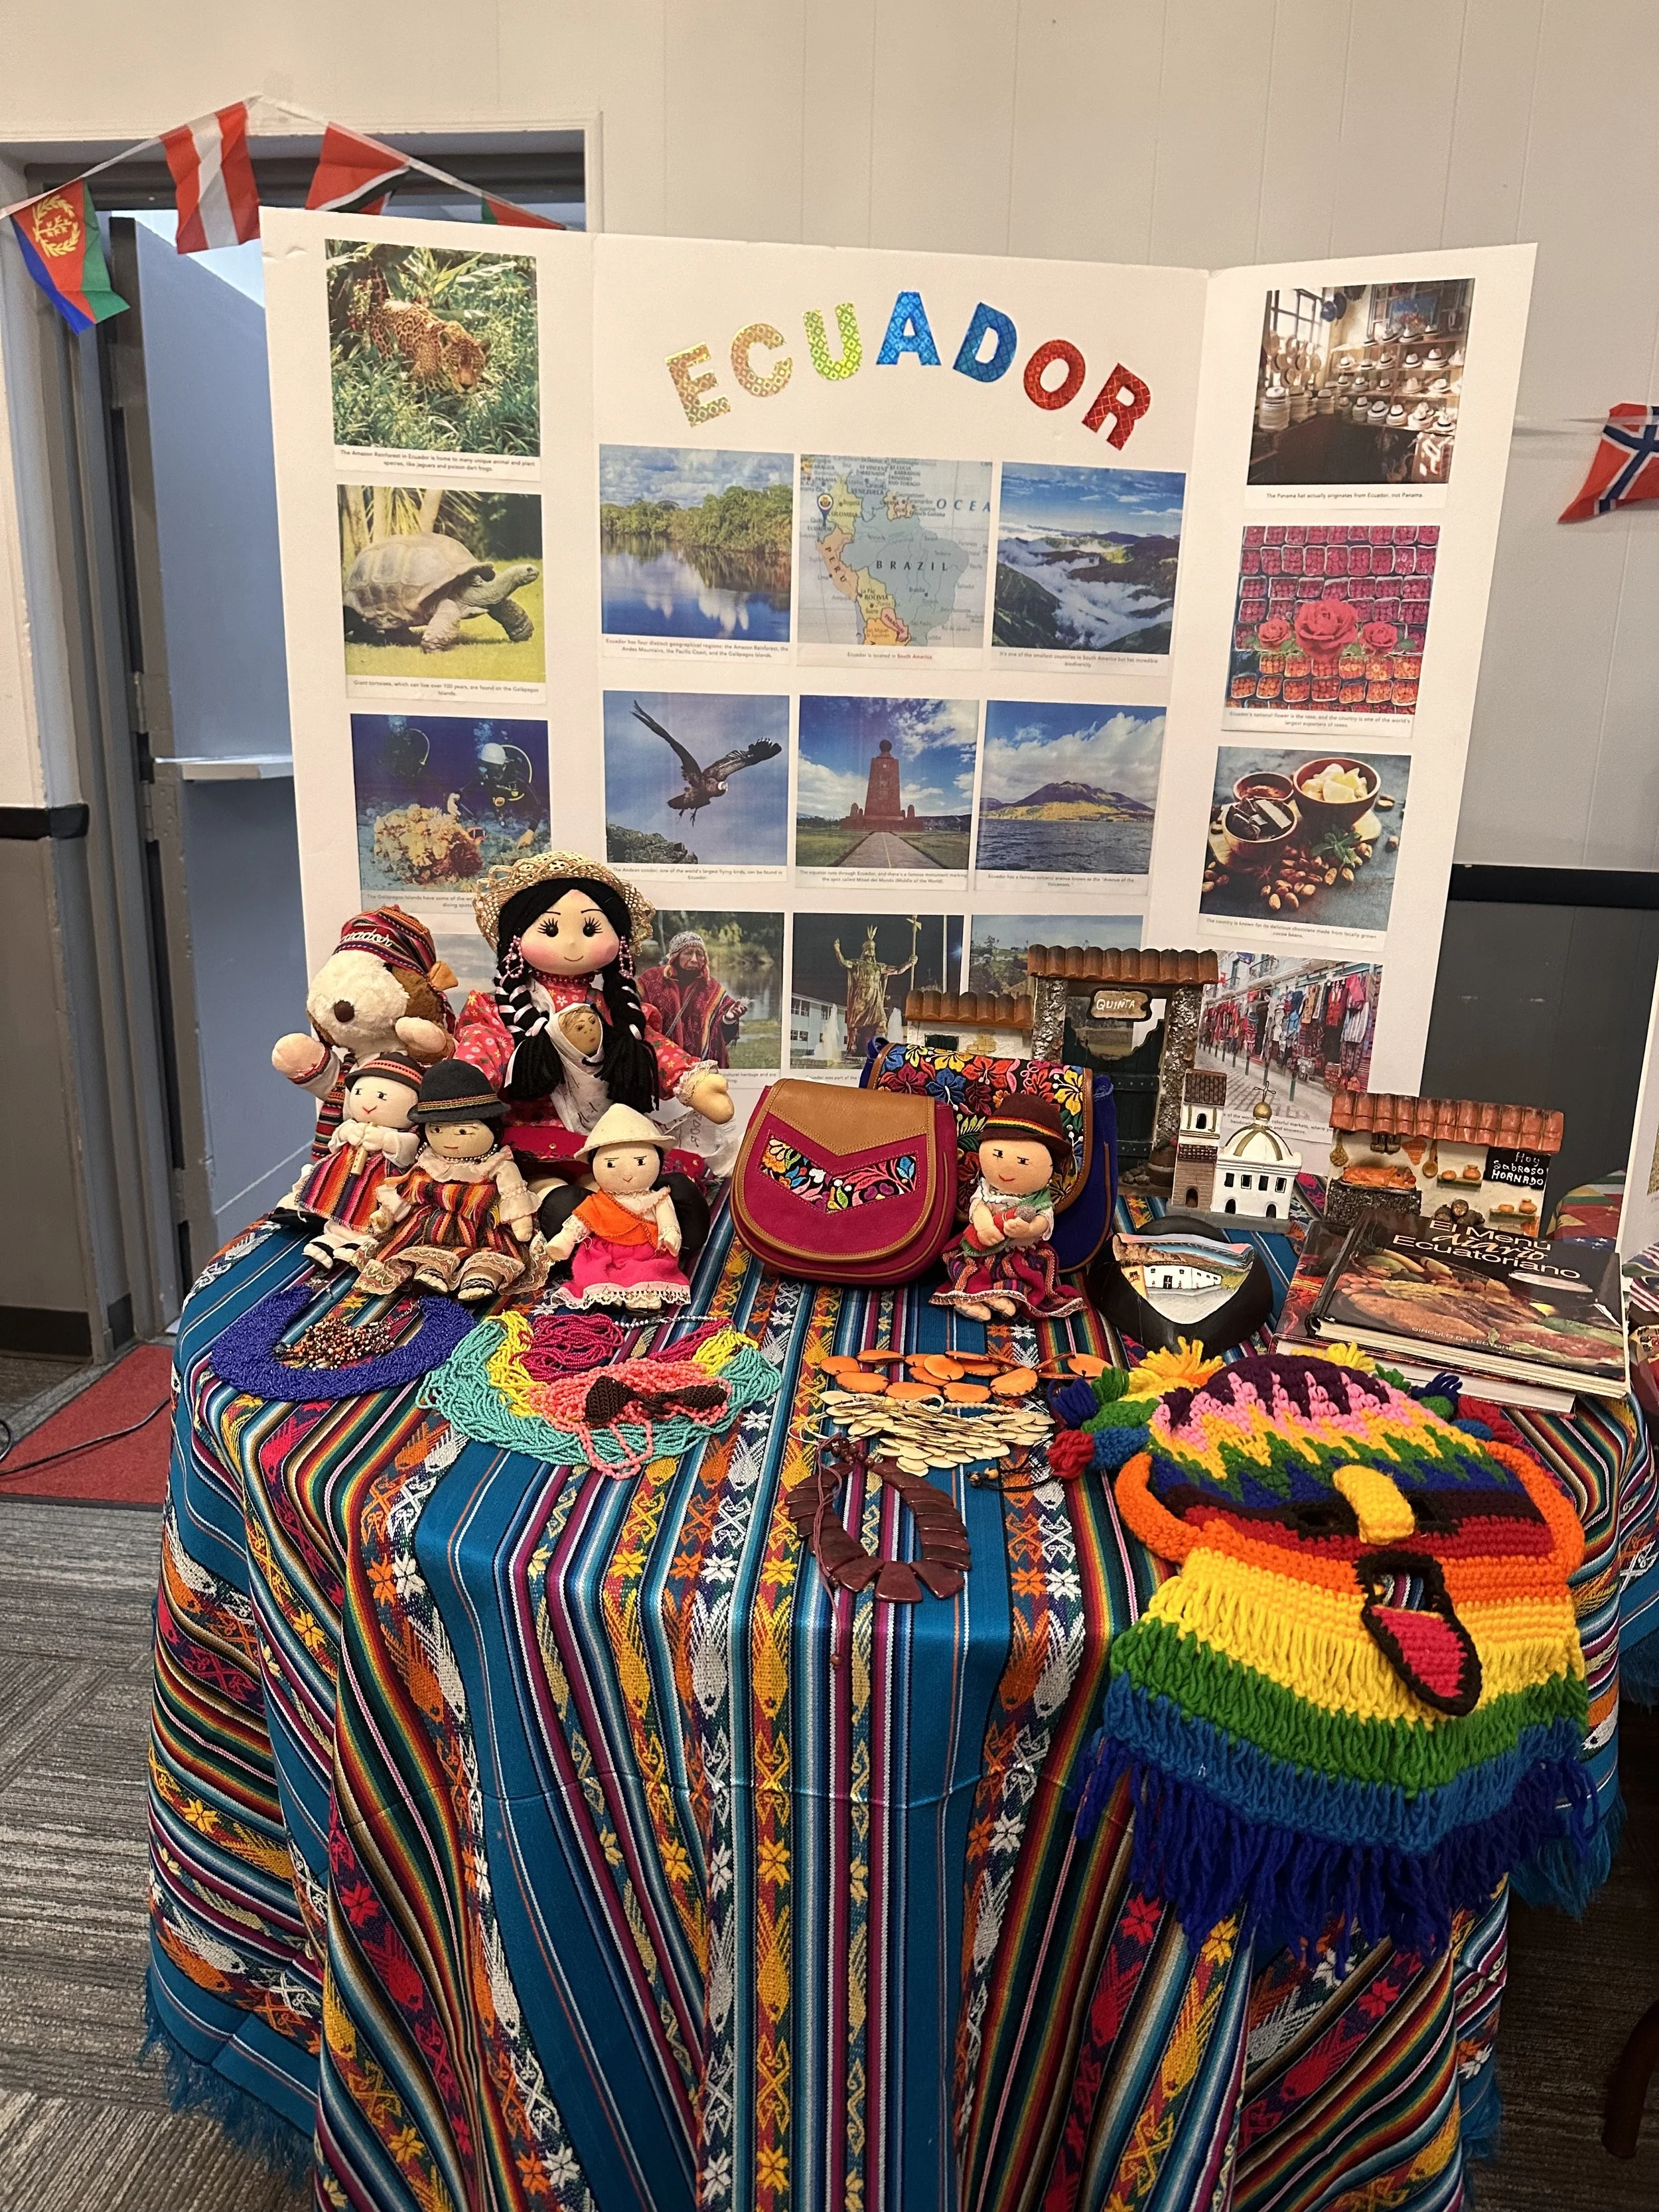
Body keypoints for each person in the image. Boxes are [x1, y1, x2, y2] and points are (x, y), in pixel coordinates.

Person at [453, 851, 735, 1163]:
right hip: (530, 1135)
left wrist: (694, 1082)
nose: (572, 943)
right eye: (550, 930)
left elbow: (654, 1047)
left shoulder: (616, 1010)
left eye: (590, 930)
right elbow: (483, 1050)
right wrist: (461, 1088)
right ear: (515, 942)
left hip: (609, 1135)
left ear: (620, 944)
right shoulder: (501, 1012)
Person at [934, 1096, 1083, 1321]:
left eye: (1023, 1161)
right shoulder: (986, 1187)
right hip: (981, 1245)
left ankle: (999, 1297)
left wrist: (1029, 1229)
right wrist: (983, 1224)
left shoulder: (1038, 1197)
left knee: (1022, 1272)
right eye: (998, 1155)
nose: (1007, 1168)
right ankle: (973, 1299)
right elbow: (978, 1205)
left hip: (1017, 1250)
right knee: (969, 1266)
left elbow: (1045, 1219)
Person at [638, 930, 747, 1067]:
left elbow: (721, 1035)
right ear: (675, 957)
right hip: (660, 1067)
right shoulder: (651, 981)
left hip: (699, 1070)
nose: (695, 959)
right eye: (688, 953)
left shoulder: (713, 989)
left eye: (699, 954)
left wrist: (729, 1020)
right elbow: (636, 1017)